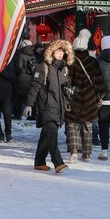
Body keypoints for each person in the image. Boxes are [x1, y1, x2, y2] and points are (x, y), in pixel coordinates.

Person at [23, 39, 73, 173]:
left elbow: (64, 88)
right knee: (52, 133)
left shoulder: (64, 69)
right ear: (52, 52)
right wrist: (29, 105)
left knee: (47, 135)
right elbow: (34, 87)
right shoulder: (43, 67)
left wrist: (69, 91)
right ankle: (58, 163)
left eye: (62, 51)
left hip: (59, 107)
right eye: (58, 51)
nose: (60, 54)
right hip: (46, 106)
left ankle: (39, 162)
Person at [66, 31, 105, 163]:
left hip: (74, 99)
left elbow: (67, 81)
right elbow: (99, 82)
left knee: (73, 125)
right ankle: (87, 154)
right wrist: (100, 96)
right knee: (87, 125)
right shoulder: (93, 62)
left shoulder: (70, 61)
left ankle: (74, 153)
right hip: (90, 99)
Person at [12, 39, 36, 119]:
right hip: (31, 79)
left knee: (18, 99)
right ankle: (32, 115)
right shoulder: (33, 55)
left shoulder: (21, 55)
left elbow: (19, 67)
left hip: (20, 80)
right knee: (29, 98)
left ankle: (17, 114)